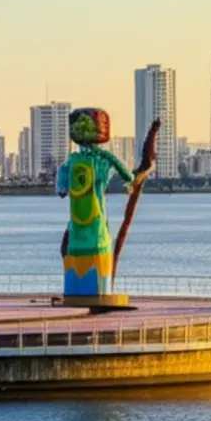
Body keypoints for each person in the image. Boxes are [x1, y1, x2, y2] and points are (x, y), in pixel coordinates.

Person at [57, 108, 133, 306]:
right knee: (99, 255)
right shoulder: (104, 158)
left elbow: (61, 188)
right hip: (97, 229)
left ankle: (76, 291)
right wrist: (129, 182)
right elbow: (128, 175)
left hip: (77, 230)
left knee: (73, 256)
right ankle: (98, 290)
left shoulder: (71, 161)